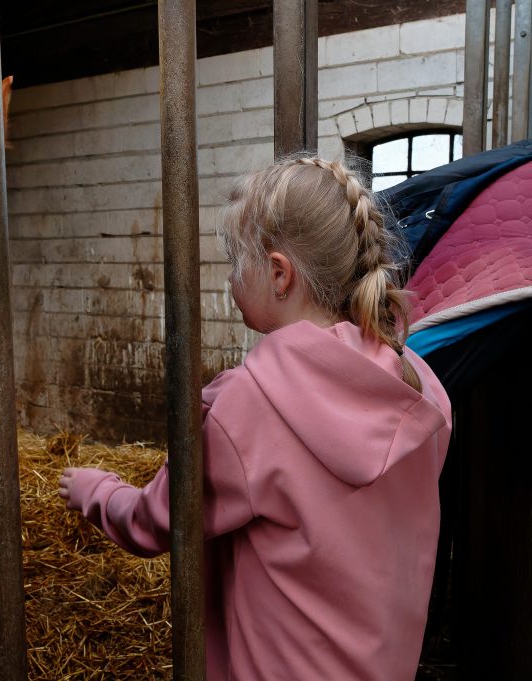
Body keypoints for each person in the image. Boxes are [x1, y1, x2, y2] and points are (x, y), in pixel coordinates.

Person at [58, 156, 452, 681]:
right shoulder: (421, 387)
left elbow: (159, 521)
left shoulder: (249, 406)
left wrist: (96, 490)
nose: (229, 276)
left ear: (279, 273)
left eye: (234, 260)